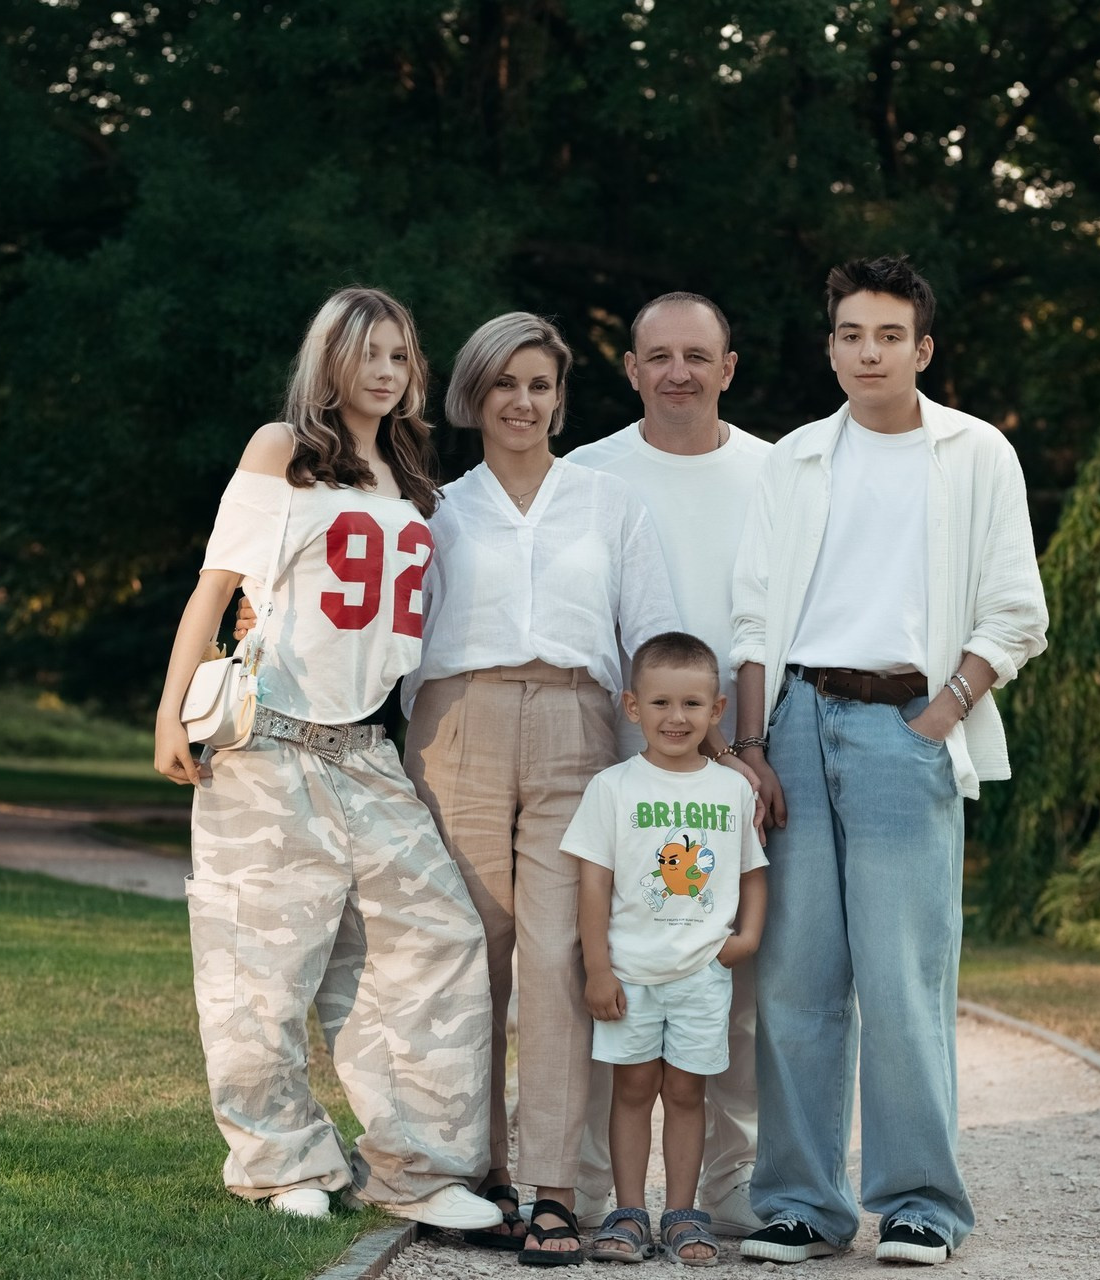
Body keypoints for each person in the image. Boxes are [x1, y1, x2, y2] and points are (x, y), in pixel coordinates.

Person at [153, 287, 500, 1230]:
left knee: (436, 942)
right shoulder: (283, 449)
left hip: (366, 749)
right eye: (367, 353)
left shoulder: (412, 474)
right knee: (258, 965)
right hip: (268, 740)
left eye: (400, 355)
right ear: (330, 360)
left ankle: (417, 1170)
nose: (385, 372)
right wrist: (171, 712)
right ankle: (280, 1161)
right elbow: (215, 587)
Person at [730, 256, 1048, 1266]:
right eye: (850, 334)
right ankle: (800, 1202)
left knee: (904, 977)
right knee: (794, 977)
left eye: (888, 335)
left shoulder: (974, 452)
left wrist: (941, 713)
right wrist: (750, 744)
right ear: (830, 348)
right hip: (794, 723)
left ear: (922, 348)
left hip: (905, 725)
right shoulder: (793, 457)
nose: (867, 352)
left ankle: (920, 1202)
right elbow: (751, 614)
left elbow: (1015, 611)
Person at [400, 312, 682, 1264]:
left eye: (541, 386)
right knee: (470, 953)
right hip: (460, 727)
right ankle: (476, 1176)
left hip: (577, 728)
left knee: (562, 955)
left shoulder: (608, 504)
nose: (523, 402)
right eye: (505, 384)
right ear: (473, 395)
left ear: (560, 400)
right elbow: (395, 635)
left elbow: (650, 635)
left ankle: (553, 1188)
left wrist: (675, 756)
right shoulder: (436, 508)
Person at [564, 292, 772, 1238]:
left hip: (739, 757)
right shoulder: (588, 472)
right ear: (632, 369)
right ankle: (594, 1190)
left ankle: (728, 1189)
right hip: (619, 762)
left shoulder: (773, 474)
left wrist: (747, 748)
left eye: (697, 355)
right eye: (658, 356)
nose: (677, 372)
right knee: (606, 976)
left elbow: (777, 622)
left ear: (728, 368)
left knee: (730, 993)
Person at [565, 632, 767, 1266]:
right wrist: (597, 968)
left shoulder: (732, 789)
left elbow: (752, 872)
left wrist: (747, 938)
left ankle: (682, 1213)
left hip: (702, 973)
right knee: (631, 1089)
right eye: (659, 703)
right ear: (632, 707)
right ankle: (628, 1213)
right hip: (630, 972)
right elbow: (593, 883)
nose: (675, 718)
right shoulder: (613, 787)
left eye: (691, 704)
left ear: (717, 710)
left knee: (686, 1093)